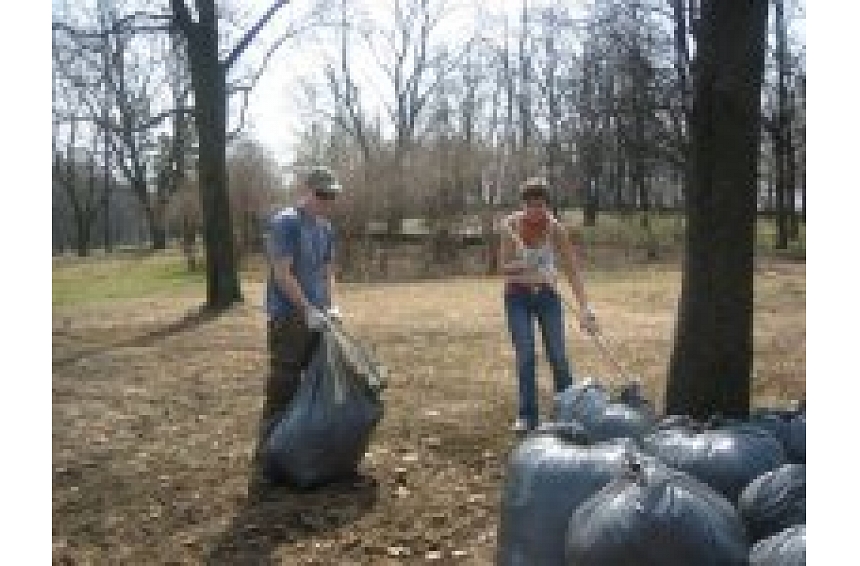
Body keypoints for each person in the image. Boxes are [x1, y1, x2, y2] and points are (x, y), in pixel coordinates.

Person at [248, 166, 343, 496]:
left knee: (318, 389)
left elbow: (328, 270)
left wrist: (331, 307)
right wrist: (307, 310)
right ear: (307, 191)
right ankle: (265, 462)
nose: (327, 201)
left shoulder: (326, 228)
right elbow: (282, 274)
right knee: (283, 388)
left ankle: (305, 455)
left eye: (332, 196)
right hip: (290, 318)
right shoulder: (286, 222)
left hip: (319, 318)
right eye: (322, 195)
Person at [498, 176, 599, 433]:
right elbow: (504, 268)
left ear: (547, 205)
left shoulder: (555, 230)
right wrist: (525, 266)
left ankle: (568, 411)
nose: (535, 211)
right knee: (526, 356)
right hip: (517, 297)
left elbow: (572, 271)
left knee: (558, 355)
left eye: (540, 205)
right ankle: (527, 416)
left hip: (548, 297)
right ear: (523, 205)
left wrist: (586, 308)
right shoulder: (511, 227)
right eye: (530, 205)